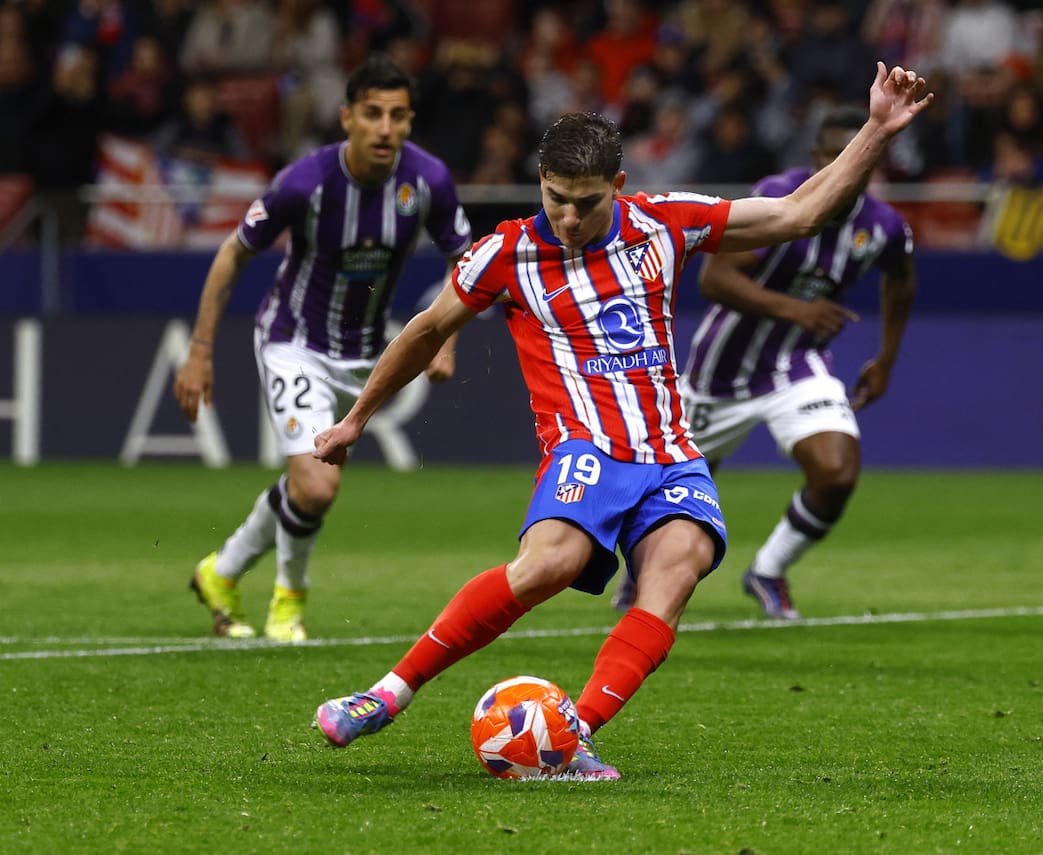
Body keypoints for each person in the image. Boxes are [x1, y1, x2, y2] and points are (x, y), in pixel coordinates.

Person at [310, 63, 931, 779]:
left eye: (586, 202)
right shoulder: (508, 252)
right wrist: (357, 417)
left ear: (620, 187)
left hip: (670, 450)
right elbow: (423, 331)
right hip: (587, 447)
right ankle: (386, 693)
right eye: (555, 199)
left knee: (679, 568)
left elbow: (798, 213)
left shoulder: (664, 223)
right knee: (551, 564)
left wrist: (878, 128)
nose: (568, 217)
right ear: (539, 181)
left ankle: (572, 734)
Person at [173, 55, 473, 642]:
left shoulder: (428, 181)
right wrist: (200, 349)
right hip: (295, 342)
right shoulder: (304, 183)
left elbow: (465, 259)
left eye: (398, 116)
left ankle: (222, 571)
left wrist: (447, 337)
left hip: (367, 353)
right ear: (347, 118)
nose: (386, 128)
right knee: (317, 484)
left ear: (410, 122)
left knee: (304, 486)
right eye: (372, 114)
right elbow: (233, 254)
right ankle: (289, 604)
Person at [613, 106, 917, 620]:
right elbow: (715, 279)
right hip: (720, 373)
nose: (855, 168)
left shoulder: (883, 226)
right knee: (671, 488)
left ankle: (769, 571)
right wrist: (799, 310)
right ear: (819, 158)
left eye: (866, 157)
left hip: (797, 364)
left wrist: (886, 358)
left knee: (837, 472)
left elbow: (902, 278)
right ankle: (640, 571)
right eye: (841, 155)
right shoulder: (778, 194)